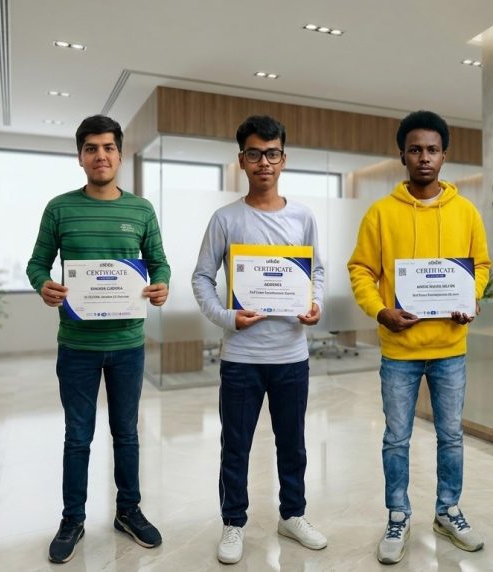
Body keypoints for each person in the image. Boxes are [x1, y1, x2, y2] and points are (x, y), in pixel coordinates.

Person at [347, 110, 492, 565]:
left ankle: (448, 510)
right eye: (415, 150)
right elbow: (361, 270)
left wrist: (471, 296)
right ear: (402, 156)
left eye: (432, 150)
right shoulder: (381, 213)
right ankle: (398, 514)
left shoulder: (466, 212)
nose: (424, 157)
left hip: (450, 348)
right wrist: (381, 311)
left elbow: (481, 265)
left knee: (451, 436)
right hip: (400, 351)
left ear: (444, 155)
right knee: (396, 438)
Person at [26, 114, 171, 563]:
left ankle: (128, 511)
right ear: (80, 157)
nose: (100, 155)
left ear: (120, 155)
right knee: (77, 437)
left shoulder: (141, 210)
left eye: (108, 147)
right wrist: (43, 285)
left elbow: (159, 263)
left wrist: (161, 286)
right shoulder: (59, 208)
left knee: (126, 434)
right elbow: (37, 263)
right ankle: (73, 519)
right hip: (77, 346)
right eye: (91, 148)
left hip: (128, 344)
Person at [191, 115, 327, 564]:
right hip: (241, 358)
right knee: (236, 447)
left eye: (272, 154)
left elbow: (317, 271)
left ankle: (293, 515)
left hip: (291, 355)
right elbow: (201, 278)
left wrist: (315, 305)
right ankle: (233, 523)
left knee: (293, 444)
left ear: (284, 159)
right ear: (242, 160)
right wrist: (227, 317)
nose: (263, 162)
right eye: (254, 154)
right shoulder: (225, 219)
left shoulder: (302, 216)